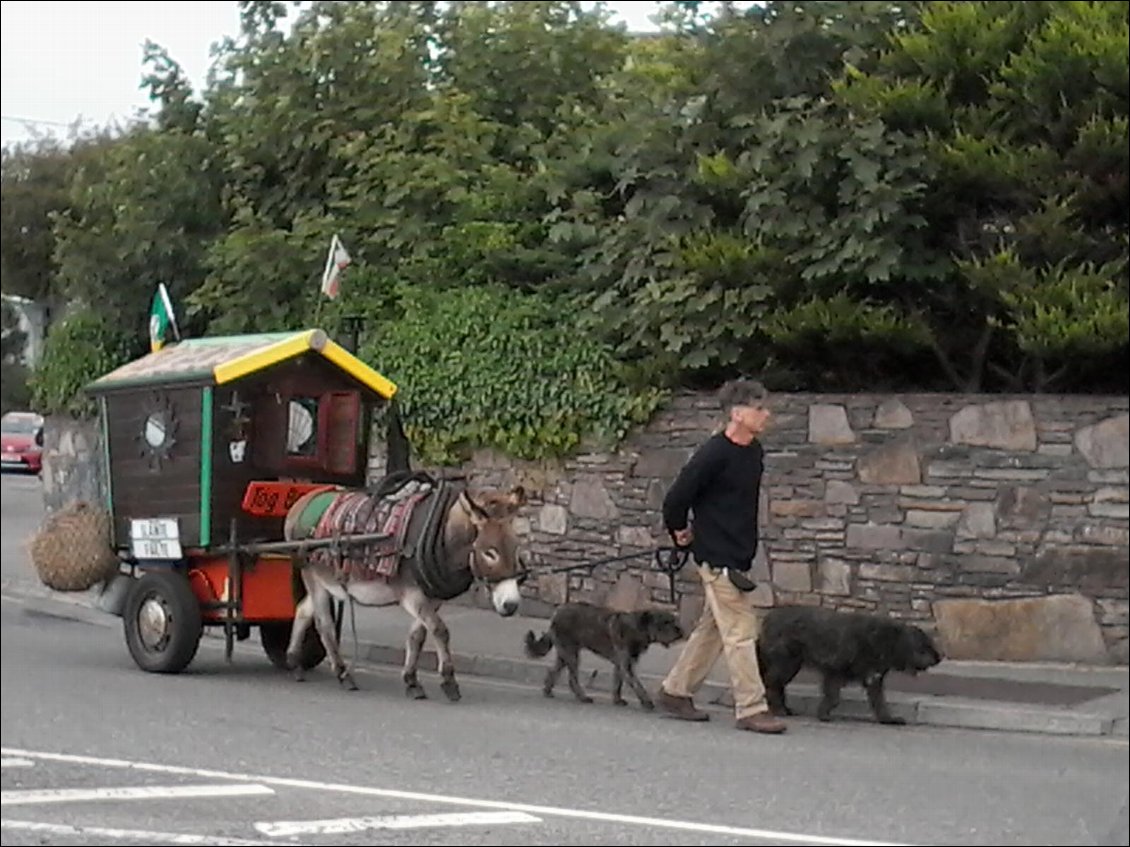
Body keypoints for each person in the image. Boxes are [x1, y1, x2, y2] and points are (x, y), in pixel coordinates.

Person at [656, 378, 787, 734]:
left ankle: (675, 691)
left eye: (765, 408)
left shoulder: (753, 452)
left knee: (712, 629)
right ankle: (751, 707)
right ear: (737, 413)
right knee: (742, 631)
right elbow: (677, 497)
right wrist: (679, 530)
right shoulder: (714, 454)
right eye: (759, 408)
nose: (766, 415)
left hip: (737, 553)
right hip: (716, 556)